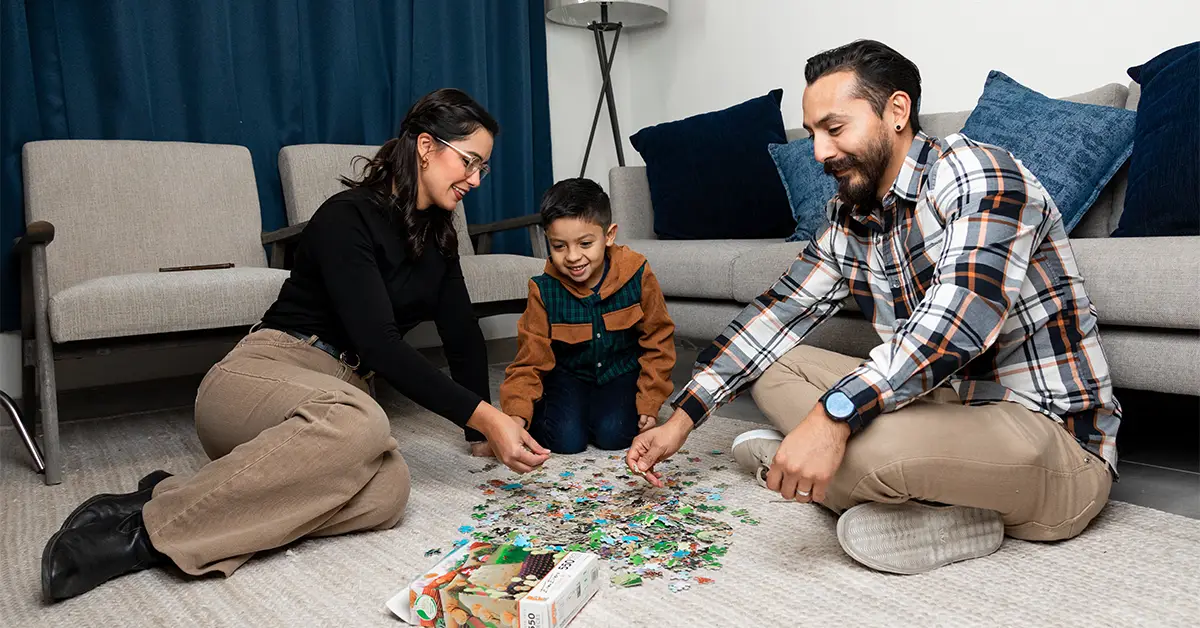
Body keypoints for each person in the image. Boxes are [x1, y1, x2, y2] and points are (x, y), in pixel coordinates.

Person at [625, 40, 1120, 575]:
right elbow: (776, 314)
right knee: (770, 369)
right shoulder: (849, 217)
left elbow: (954, 329)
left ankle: (803, 462)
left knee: (865, 448)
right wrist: (683, 418)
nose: (819, 152)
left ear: (897, 112)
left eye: (834, 130)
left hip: (1051, 438)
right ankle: (926, 501)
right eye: (814, 133)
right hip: (945, 405)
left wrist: (832, 418)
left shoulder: (979, 173)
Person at [40, 88, 550, 602]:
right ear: (425, 146)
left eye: (483, 168)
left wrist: (480, 429)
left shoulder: (438, 237)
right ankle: (141, 537)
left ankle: (167, 493)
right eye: (469, 162)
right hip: (263, 374)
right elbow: (380, 346)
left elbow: (462, 334)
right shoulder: (346, 216)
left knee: (390, 493)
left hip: (337, 399)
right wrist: (486, 416)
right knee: (363, 423)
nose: (476, 180)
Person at [499, 178, 676, 454]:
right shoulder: (543, 289)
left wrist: (650, 401)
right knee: (566, 442)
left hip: (620, 373)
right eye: (559, 246)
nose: (572, 257)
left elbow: (658, 339)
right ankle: (564, 412)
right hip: (569, 376)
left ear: (609, 235)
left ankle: (595, 415)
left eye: (584, 243)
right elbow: (529, 359)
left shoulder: (637, 273)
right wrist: (515, 418)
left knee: (615, 435)